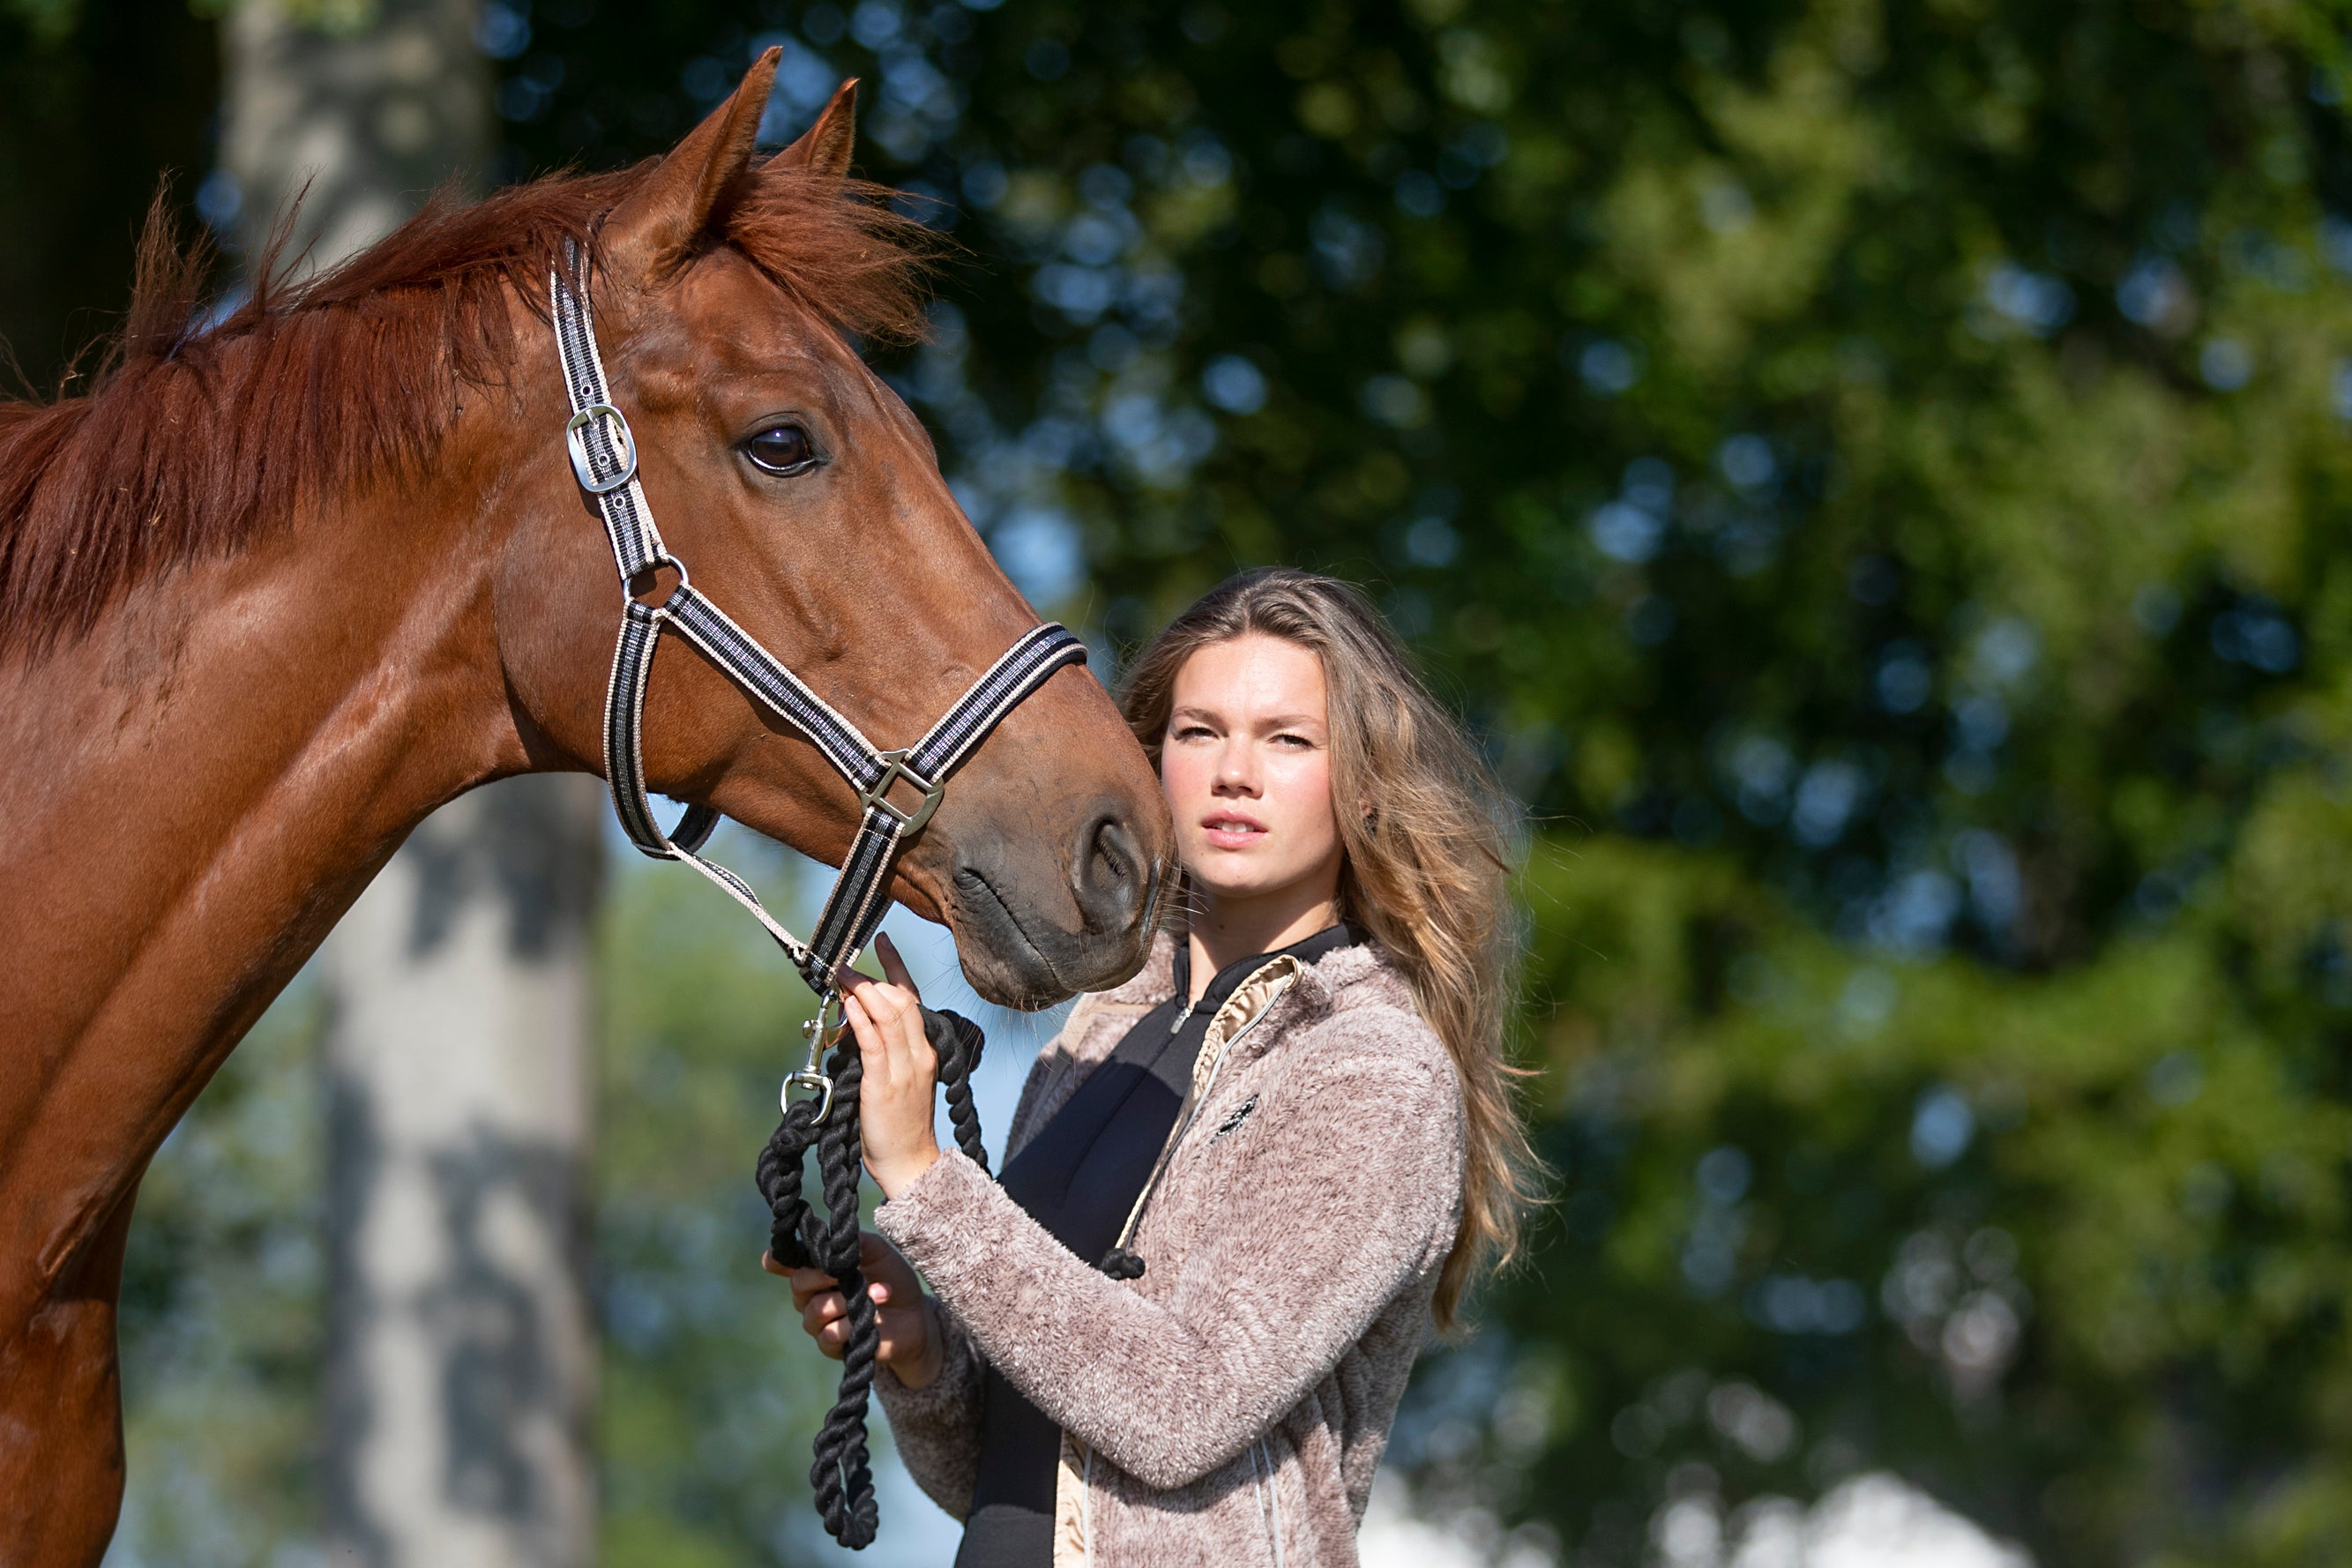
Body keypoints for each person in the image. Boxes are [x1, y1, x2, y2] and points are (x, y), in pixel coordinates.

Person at [771, 567, 1537, 1565]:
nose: (1235, 773)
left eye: (1288, 739)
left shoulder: (1373, 1069)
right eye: (1200, 731)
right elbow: (1010, 1476)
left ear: (1361, 780)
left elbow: (1184, 1406)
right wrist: (920, 1348)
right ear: (1152, 758)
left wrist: (925, 1176)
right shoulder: (1093, 1039)